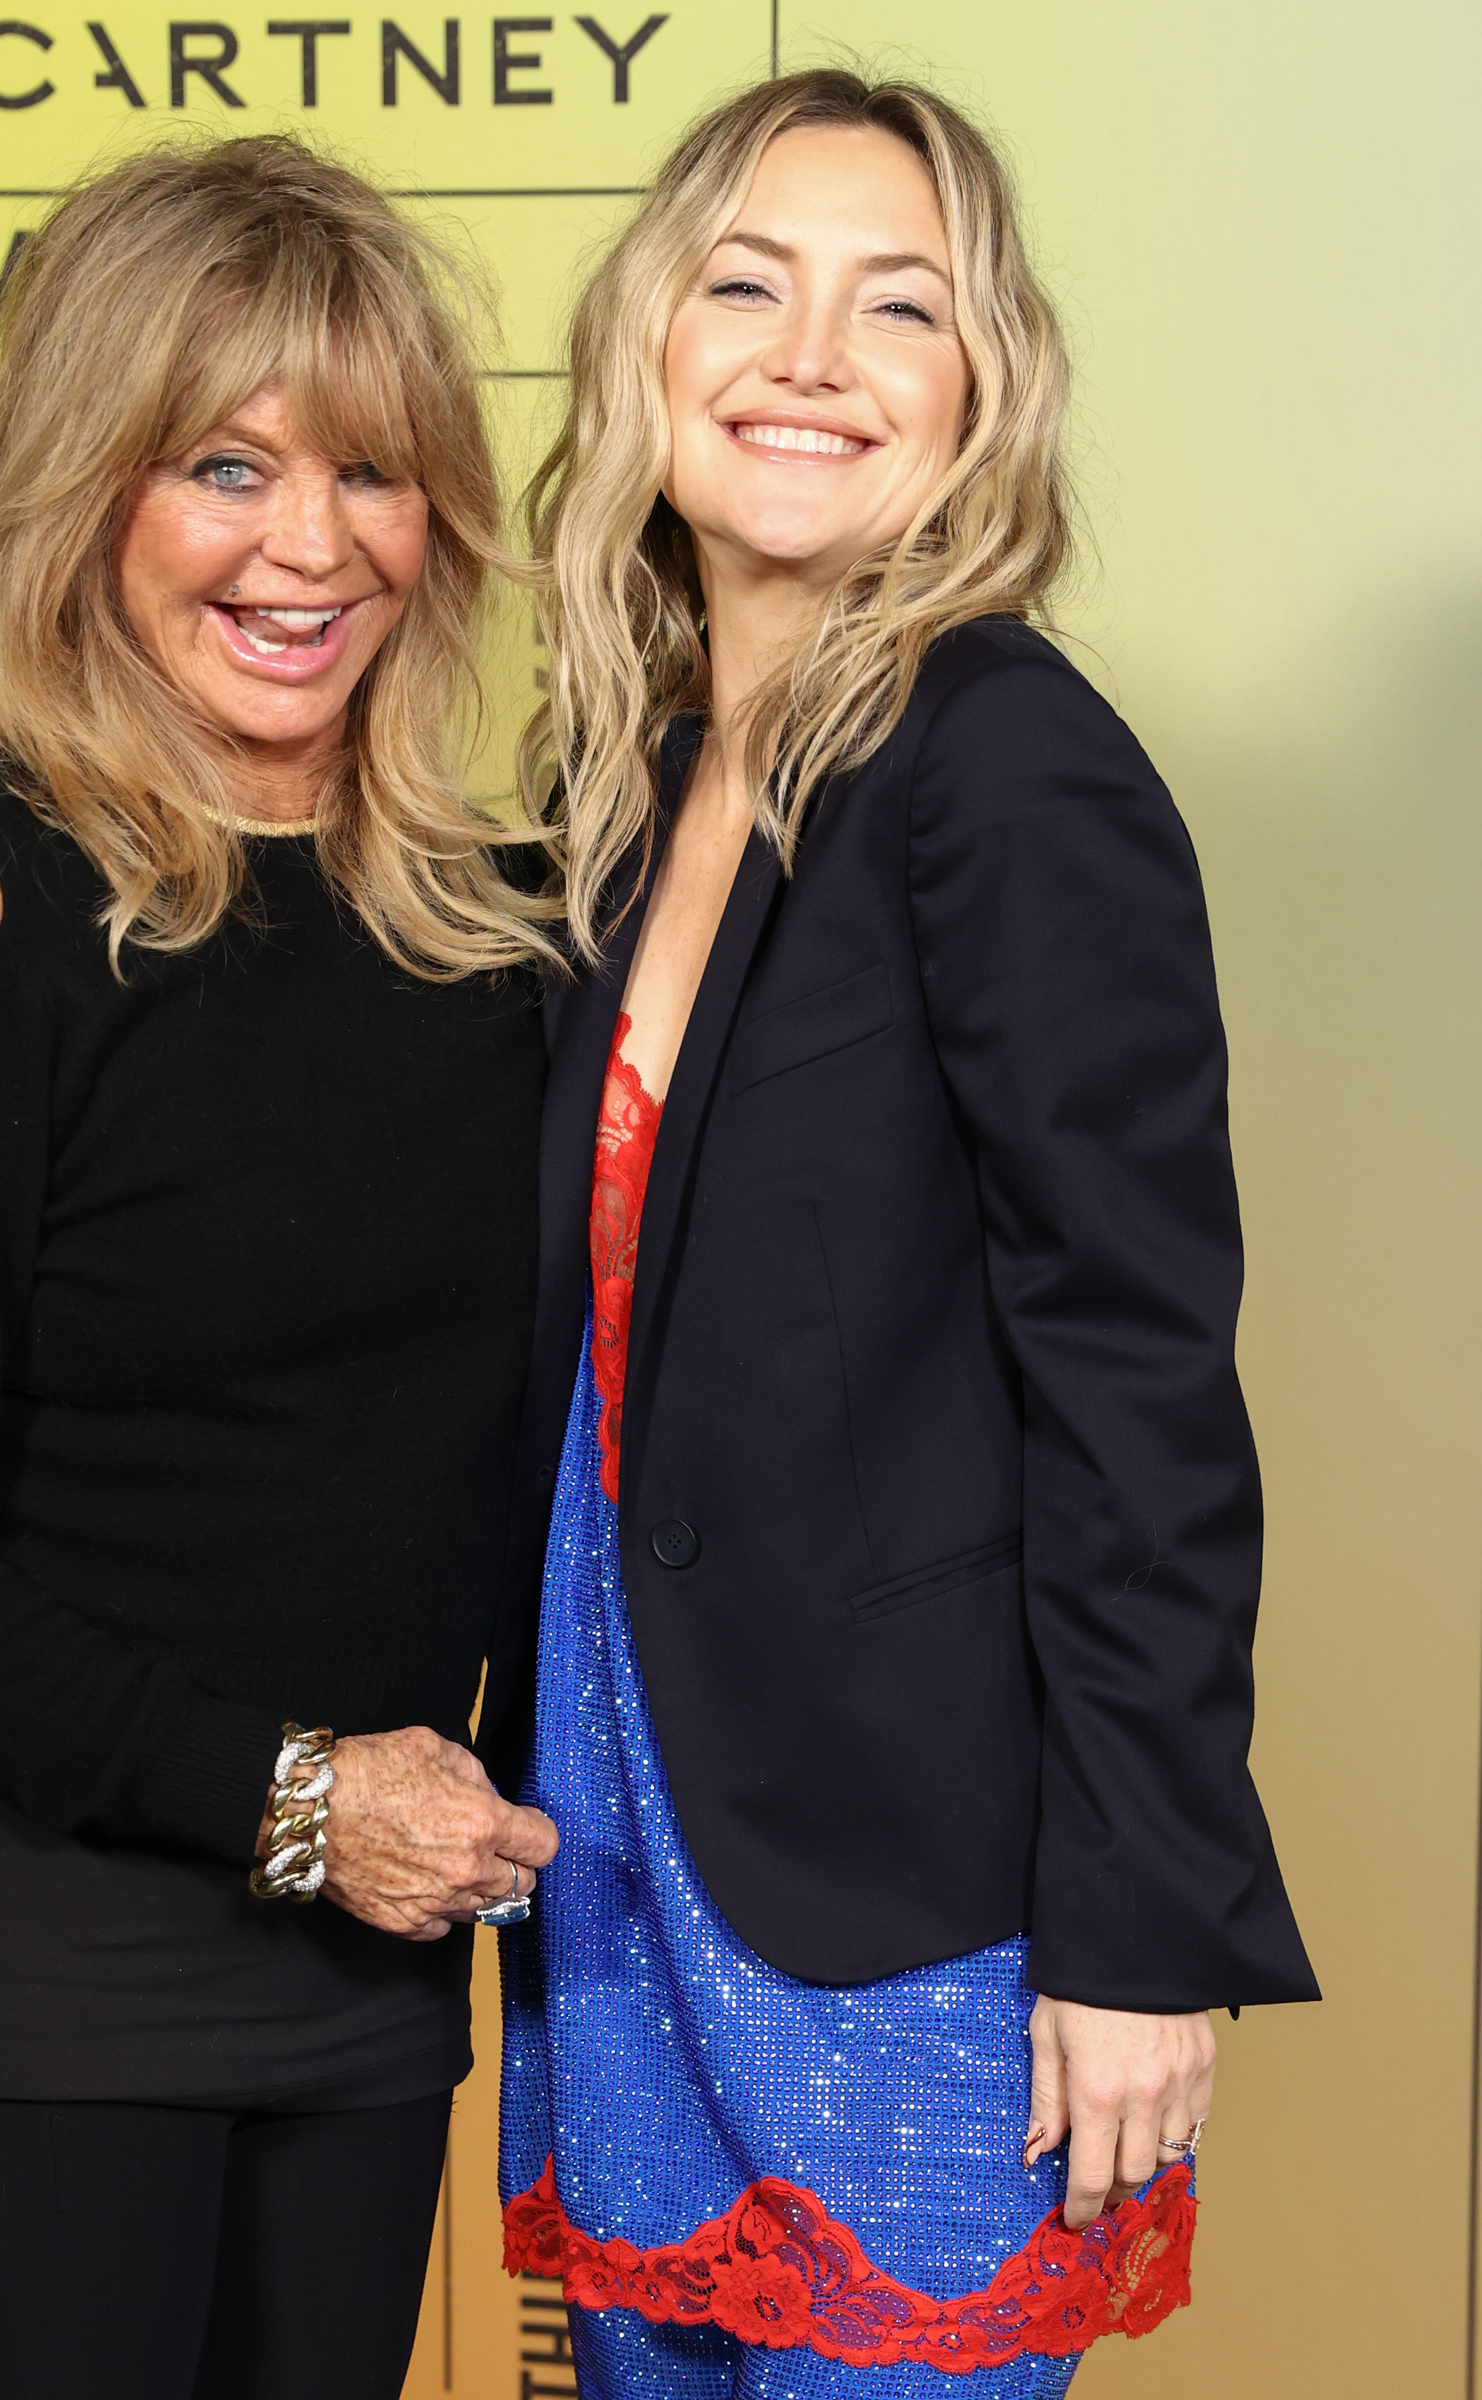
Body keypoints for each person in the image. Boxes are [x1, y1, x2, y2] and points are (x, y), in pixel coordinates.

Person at [488, 70, 1317, 2397]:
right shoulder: (630, 781)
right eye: (743, 284)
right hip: (625, 1833)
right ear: (646, 345)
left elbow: (1137, 1379)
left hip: (904, 1894)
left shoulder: (1007, 766)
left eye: (897, 307)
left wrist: (1143, 1916)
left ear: (979, 399)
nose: (805, 355)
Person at [0, 135, 558, 2400]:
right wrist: (300, 1792)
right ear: (85, 486)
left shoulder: (486, 923)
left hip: (369, 1967)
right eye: (223, 461)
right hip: (24, 1955)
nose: (310, 546)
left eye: (373, 468)